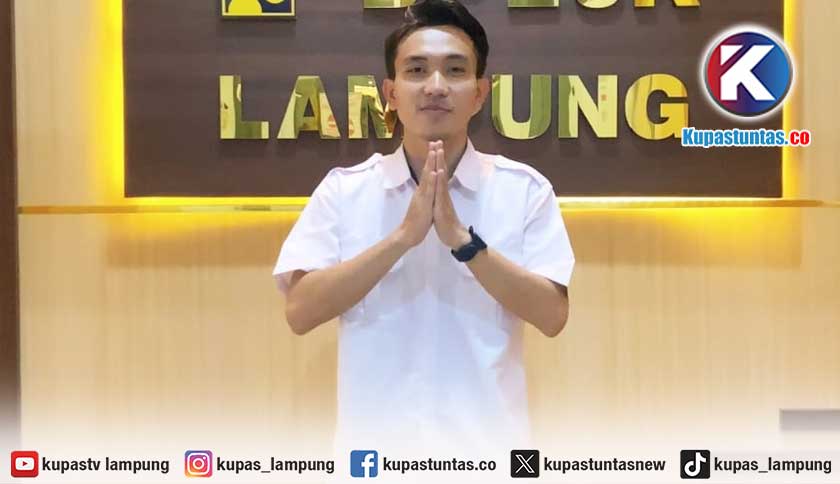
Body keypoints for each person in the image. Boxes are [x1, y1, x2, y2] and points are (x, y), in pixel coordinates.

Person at [273, 0, 574, 455]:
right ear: (391, 92)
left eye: (455, 70)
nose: (435, 86)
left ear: (480, 93)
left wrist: (464, 243)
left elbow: (552, 316)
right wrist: (401, 239)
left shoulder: (524, 190)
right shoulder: (344, 191)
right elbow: (300, 313)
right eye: (416, 70)